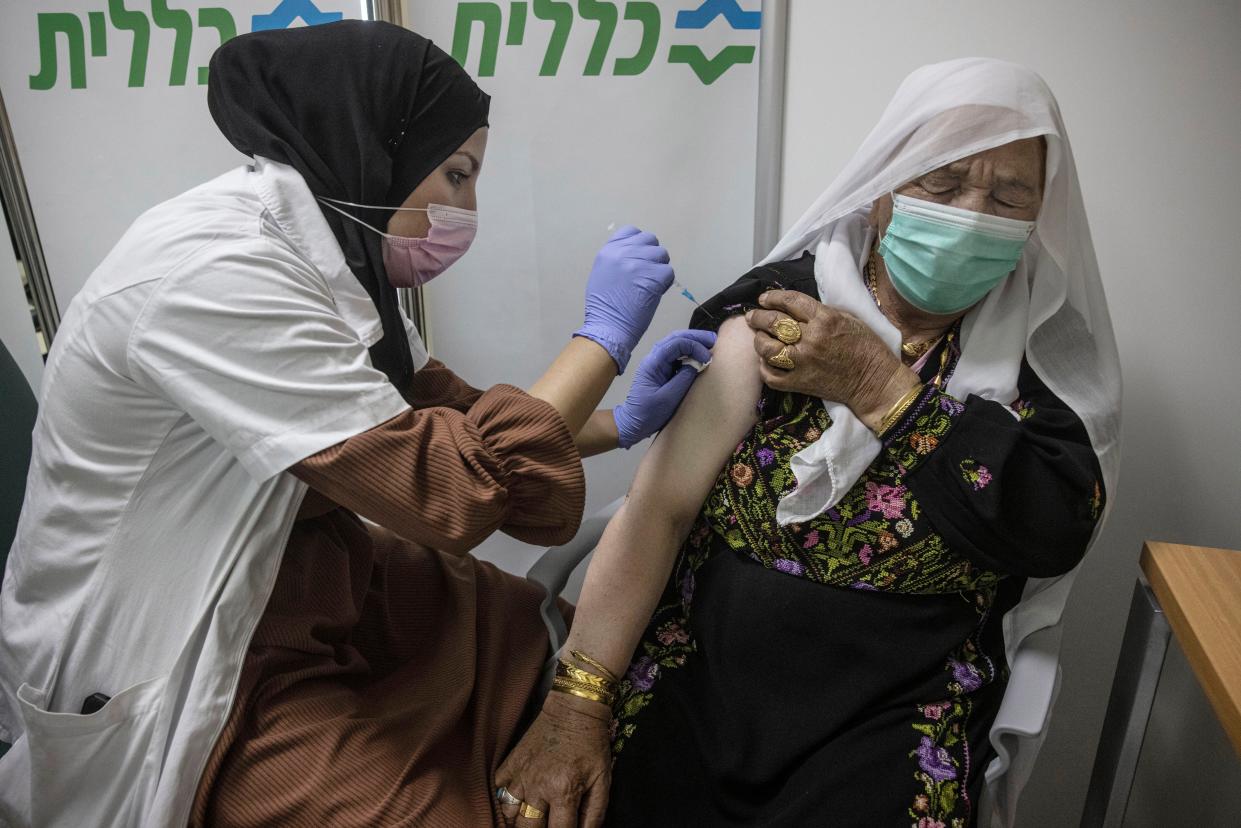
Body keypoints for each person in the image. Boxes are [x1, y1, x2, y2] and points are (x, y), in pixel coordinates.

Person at [0, 21, 715, 827]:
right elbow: (450, 492)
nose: (465, 211)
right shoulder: (216, 273)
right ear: (376, 145)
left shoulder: (326, 258)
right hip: (187, 646)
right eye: (454, 174)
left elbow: (443, 414)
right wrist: (600, 341)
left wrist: (616, 423)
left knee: (525, 633)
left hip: (296, 571)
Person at [495, 58, 1121, 827]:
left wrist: (880, 387)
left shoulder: (1046, 361)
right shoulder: (781, 310)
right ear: (884, 185)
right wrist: (576, 707)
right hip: (702, 665)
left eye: (1008, 194)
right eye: (942, 182)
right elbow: (660, 509)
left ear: (1040, 215)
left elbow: (1050, 529)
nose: (970, 214)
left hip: (897, 709)